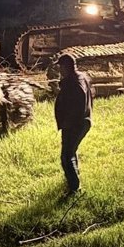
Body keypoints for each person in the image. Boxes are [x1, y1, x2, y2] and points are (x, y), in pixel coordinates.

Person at [54, 54, 94, 195]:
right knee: (71, 151)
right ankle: (74, 178)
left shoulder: (74, 83)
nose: (59, 70)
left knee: (66, 156)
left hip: (75, 124)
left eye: (60, 67)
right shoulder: (81, 77)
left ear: (66, 67)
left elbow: (78, 104)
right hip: (81, 122)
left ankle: (74, 188)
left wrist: (68, 124)